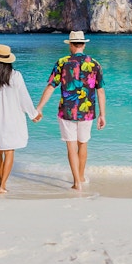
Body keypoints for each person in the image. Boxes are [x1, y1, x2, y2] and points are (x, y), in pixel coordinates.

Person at [37, 31, 106, 190]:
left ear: (70, 44)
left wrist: (39, 107)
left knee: (71, 147)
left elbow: (51, 87)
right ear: (84, 44)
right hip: (87, 111)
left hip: (67, 111)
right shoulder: (95, 63)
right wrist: (102, 115)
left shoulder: (62, 62)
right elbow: (100, 90)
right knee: (83, 144)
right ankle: (81, 177)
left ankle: (76, 182)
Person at [0, 43, 41, 193]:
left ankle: (1, 181)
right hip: (13, 120)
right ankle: (2, 185)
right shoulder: (16, 76)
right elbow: (24, 98)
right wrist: (33, 114)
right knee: (9, 151)